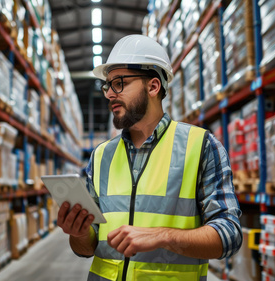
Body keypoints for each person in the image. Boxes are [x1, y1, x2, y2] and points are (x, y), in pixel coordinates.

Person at [57, 34, 242, 281]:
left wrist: (163, 236)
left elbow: (229, 234)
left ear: (153, 86)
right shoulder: (101, 156)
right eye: (107, 85)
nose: (110, 94)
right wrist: (78, 233)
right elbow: (86, 248)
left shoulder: (200, 146)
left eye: (119, 83)